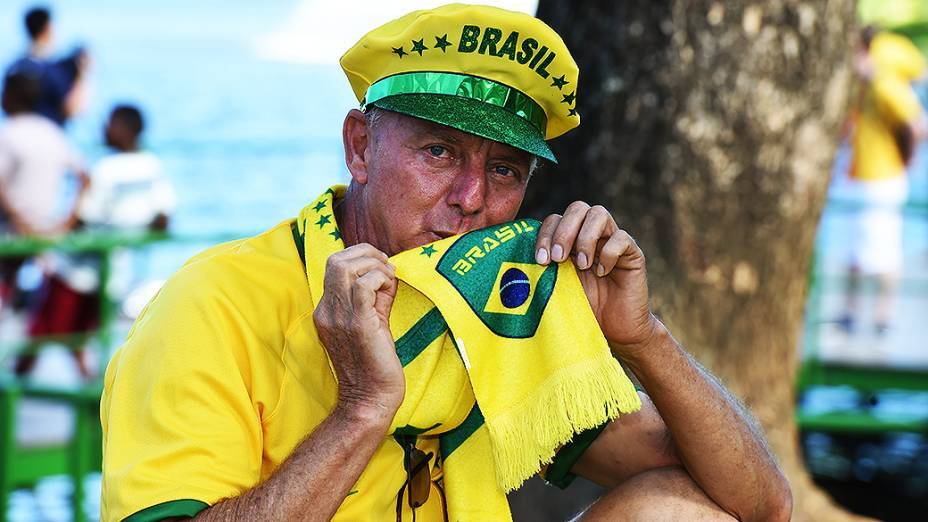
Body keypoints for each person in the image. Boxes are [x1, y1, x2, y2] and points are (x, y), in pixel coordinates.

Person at [100, 5, 792, 521]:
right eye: (439, 153)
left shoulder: (501, 300)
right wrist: (362, 410)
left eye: (504, 170)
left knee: (675, 508)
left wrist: (643, 338)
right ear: (360, 147)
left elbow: (760, 505)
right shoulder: (214, 303)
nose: (471, 200)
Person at [16, 104, 174, 378]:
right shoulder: (151, 166)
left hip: (77, 271)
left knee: (40, 334)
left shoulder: (105, 169)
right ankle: (91, 394)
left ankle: (13, 396)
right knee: (83, 337)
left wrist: (49, 235)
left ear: (122, 129)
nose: (103, 128)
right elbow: (162, 218)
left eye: (109, 123)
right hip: (114, 271)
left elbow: (81, 219)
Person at [839, 27, 927, 336]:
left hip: (883, 181)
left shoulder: (883, 83)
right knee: (854, 251)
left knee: (885, 252)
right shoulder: (860, 87)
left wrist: (906, 157)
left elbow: (917, 124)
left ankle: (882, 316)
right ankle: (850, 312)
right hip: (857, 177)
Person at [0, 69, 87, 310]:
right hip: (47, 234)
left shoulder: (9, 133)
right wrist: (67, 222)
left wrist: (20, 220)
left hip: (11, 236)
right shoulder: (52, 132)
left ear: (10, 95)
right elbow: (84, 177)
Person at [5, 5, 89, 126]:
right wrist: (83, 74)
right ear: (47, 28)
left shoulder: (15, 67)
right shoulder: (55, 71)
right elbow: (72, 109)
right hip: (48, 135)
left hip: (16, 132)